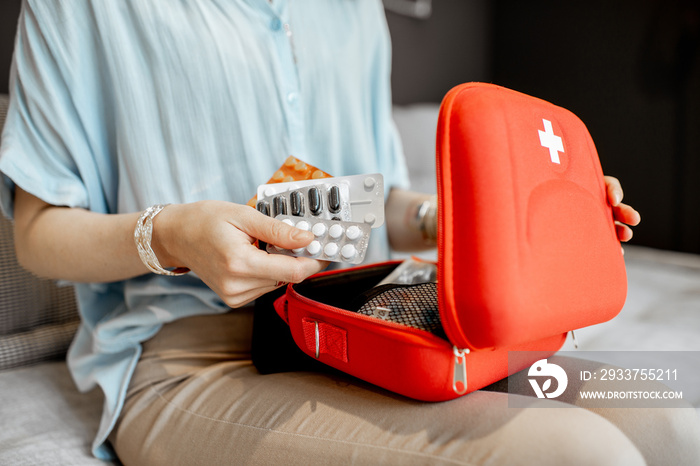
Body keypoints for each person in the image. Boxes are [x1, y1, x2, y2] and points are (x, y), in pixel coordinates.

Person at [1, 1, 696, 465]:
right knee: (582, 454)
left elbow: (369, 200)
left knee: (671, 415)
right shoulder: (83, 9)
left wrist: (457, 216)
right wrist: (173, 235)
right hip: (195, 356)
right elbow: (36, 232)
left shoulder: (354, 9)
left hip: (371, 324)